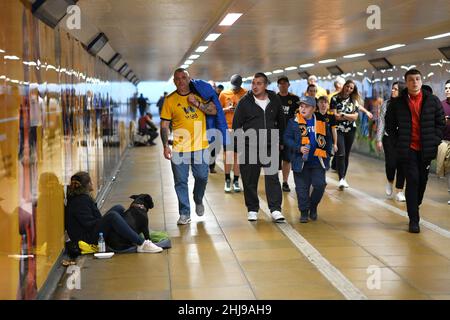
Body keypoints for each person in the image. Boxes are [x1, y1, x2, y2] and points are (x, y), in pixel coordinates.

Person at [386, 69, 445, 233]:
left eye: (417, 79)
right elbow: (389, 125)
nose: (415, 82)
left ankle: (414, 204)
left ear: (421, 80)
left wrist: (435, 140)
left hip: (426, 149)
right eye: (411, 80)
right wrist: (397, 143)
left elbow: (440, 123)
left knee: (422, 182)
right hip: (408, 149)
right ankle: (414, 220)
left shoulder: (432, 101)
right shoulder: (397, 103)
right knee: (412, 180)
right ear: (406, 82)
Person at [160, 68, 217, 225]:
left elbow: (213, 110)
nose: (180, 81)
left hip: (200, 146)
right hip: (179, 148)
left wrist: (197, 103)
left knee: (202, 177)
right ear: (174, 81)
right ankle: (184, 213)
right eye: (177, 79)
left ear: (189, 79)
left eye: (183, 78)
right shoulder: (169, 100)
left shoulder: (200, 94)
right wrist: (165, 145)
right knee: (180, 181)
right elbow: (164, 125)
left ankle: (198, 199)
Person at [232, 72, 286, 222]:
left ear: (265, 85)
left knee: (273, 178)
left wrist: (281, 141)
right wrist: (237, 146)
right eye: (253, 83)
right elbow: (237, 124)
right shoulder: (245, 102)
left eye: (259, 83)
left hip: (270, 145)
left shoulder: (274, 99)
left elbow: (281, 121)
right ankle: (252, 209)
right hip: (250, 146)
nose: (255, 86)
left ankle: (275, 209)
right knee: (250, 179)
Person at [65, 171, 162, 253]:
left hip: (90, 231)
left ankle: (127, 234)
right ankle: (142, 244)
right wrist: (104, 223)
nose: (93, 183)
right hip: (88, 238)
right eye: (91, 181)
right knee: (112, 216)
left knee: (118, 208)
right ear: (87, 185)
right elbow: (89, 224)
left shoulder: (81, 198)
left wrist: (103, 222)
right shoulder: (80, 201)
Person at [284, 96, 329, 223]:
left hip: (318, 161)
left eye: (306, 106)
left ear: (314, 109)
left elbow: (328, 139)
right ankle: (304, 211)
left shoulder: (321, 121)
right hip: (300, 162)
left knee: (320, 185)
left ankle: (313, 206)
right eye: (301, 106)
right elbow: (287, 138)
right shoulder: (294, 122)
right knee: (301, 189)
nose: (302, 109)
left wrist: (328, 154)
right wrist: (299, 148)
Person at [376, 82, 406, 202]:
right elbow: (381, 122)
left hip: (403, 139)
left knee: (402, 165)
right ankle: (390, 181)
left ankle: (399, 190)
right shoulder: (386, 104)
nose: (393, 91)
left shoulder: (406, 104)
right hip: (389, 138)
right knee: (391, 163)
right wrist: (379, 139)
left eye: (396, 89)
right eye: (392, 89)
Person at [330, 79, 361, 189]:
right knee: (341, 153)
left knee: (346, 154)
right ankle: (341, 178)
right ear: (344, 86)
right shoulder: (335, 99)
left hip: (351, 130)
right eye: (347, 86)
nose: (349, 89)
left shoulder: (354, 101)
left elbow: (355, 117)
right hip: (338, 130)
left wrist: (342, 114)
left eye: (351, 88)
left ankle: (343, 177)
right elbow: (335, 116)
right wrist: (348, 116)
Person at [219, 74, 247, 192]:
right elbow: (218, 111)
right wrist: (226, 109)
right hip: (228, 129)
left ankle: (236, 180)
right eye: (234, 86)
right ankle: (227, 180)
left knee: (238, 157)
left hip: (240, 130)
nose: (235, 88)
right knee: (228, 156)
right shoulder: (224, 94)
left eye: (237, 86)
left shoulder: (246, 94)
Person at [276, 76, 300, 192]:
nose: (282, 85)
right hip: (275, 133)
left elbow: (299, 116)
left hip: (289, 133)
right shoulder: (273, 98)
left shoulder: (295, 99)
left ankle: (285, 182)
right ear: (278, 85)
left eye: (284, 83)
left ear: (288, 85)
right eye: (280, 84)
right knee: (274, 159)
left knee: (287, 159)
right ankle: (274, 181)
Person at [438, 80, 450, 205]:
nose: (447, 90)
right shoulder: (441, 105)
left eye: (449, 88)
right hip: (445, 141)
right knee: (447, 169)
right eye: (446, 88)